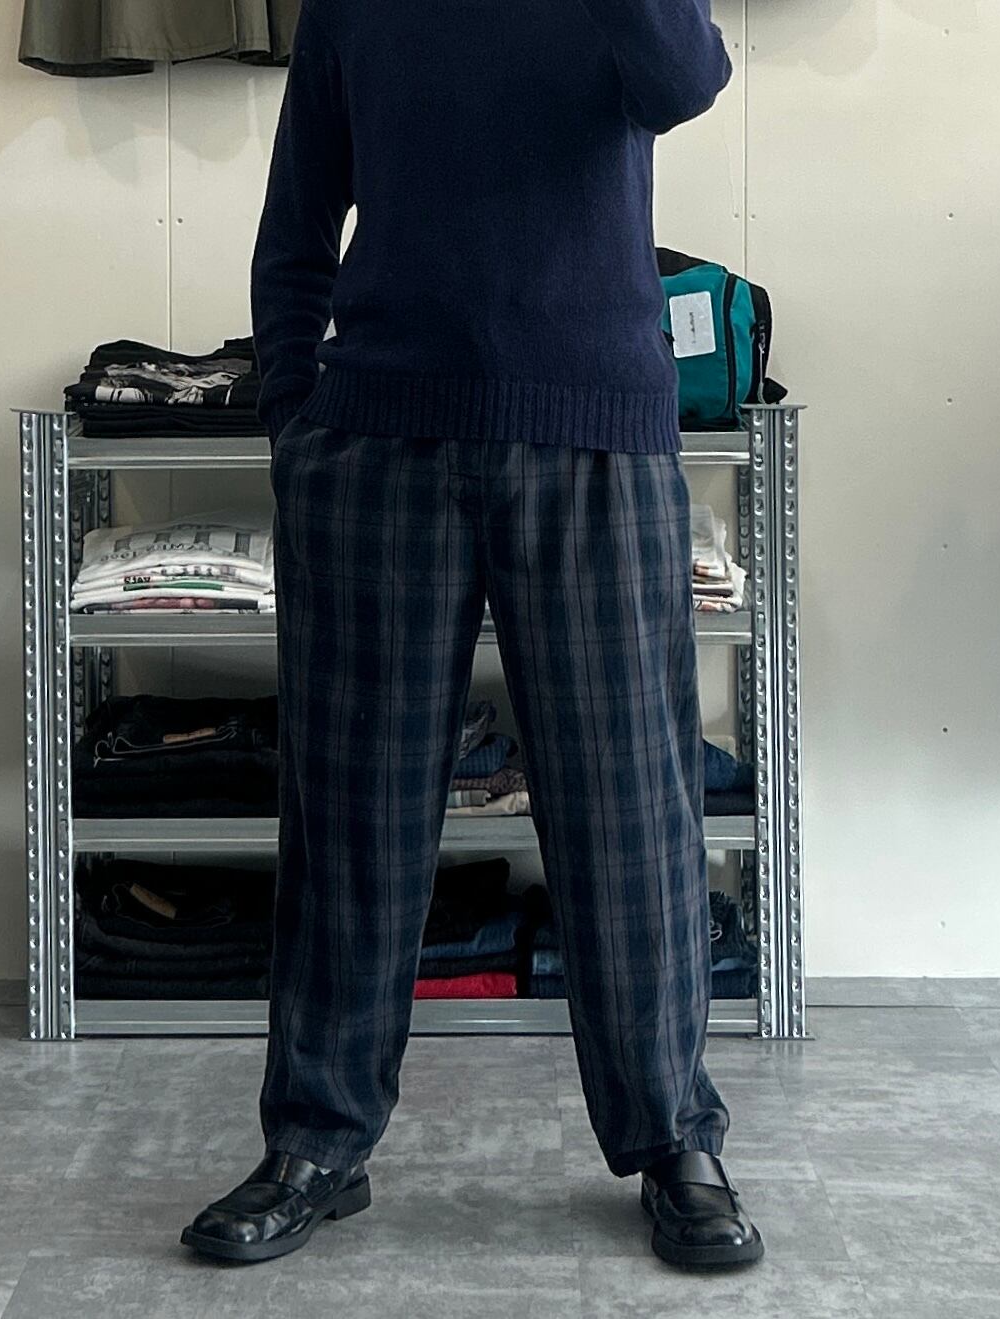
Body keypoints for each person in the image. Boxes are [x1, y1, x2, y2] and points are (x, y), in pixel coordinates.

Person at [181, 0, 763, 1270]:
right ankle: (316, 1142)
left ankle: (673, 1138)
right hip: (374, 442)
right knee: (350, 816)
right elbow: (295, 223)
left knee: (630, 817)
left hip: (593, 438)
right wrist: (294, 420)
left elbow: (684, 77)